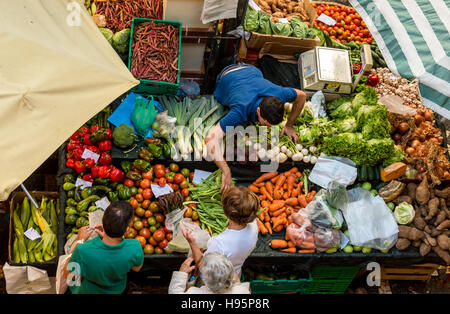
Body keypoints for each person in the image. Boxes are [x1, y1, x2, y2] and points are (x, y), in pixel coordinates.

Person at [206, 63, 307, 191]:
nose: (267, 127)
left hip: (251, 69)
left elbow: (302, 96)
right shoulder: (239, 110)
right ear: (258, 111)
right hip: (228, 75)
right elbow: (210, 139)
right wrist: (225, 170)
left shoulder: (280, 94)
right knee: (223, 104)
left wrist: (289, 125)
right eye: (265, 124)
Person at [63, 201, 144, 294]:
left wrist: (80, 241)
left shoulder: (83, 250)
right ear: (127, 230)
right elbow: (136, 268)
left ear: (102, 220)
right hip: (117, 290)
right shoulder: (135, 247)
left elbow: (68, 276)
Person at [183, 186, 259, 277]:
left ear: (224, 210)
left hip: (215, 280)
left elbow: (203, 267)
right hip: (235, 274)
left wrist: (192, 243)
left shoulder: (218, 243)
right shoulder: (254, 226)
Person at [168, 253, 250, 294]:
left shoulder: (195, 292)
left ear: (205, 280)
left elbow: (175, 292)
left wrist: (181, 274)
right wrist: (237, 283)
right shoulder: (242, 291)